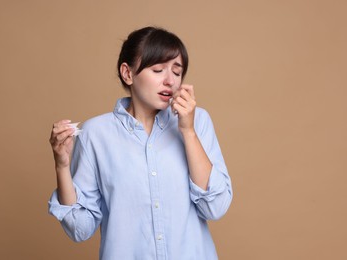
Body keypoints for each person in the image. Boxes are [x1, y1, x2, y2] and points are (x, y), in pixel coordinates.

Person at [48, 26, 232, 260]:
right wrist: (62, 167)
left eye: (177, 72)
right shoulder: (95, 134)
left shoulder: (198, 121)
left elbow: (215, 207)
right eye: (158, 70)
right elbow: (80, 229)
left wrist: (188, 132)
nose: (170, 81)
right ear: (128, 73)